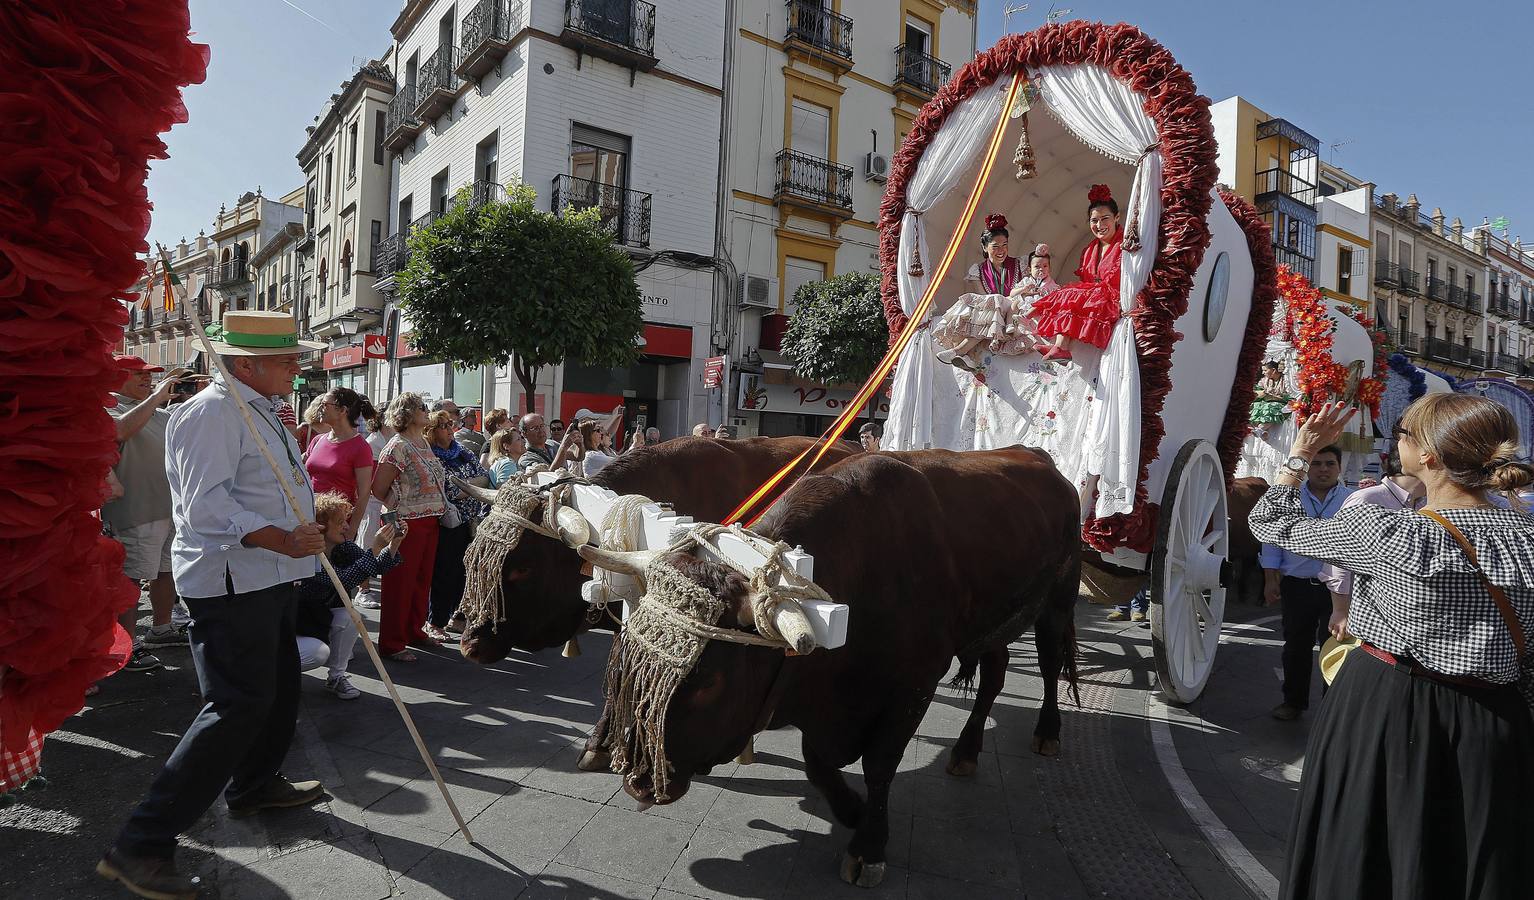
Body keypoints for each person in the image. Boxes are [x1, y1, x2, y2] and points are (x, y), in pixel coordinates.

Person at [1248, 396, 1534, 899]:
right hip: (1495, 720)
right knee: (1474, 858)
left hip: (1386, 710)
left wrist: (1298, 456)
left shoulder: (1390, 531)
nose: (1395, 438)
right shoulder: (1528, 536)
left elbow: (1271, 525)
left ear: (1429, 456)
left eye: (1403, 431)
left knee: (1366, 850)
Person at [99, 312, 328, 899]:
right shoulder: (212, 413)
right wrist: (281, 536)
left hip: (268, 577)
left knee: (276, 690)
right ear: (246, 363)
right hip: (232, 583)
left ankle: (254, 785)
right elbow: (204, 509)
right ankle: (141, 844)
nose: (298, 365)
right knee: (235, 705)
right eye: (288, 357)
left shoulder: (256, 409)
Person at [104, 356, 189, 668]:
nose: (147, 379)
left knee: (165, 571)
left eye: (149, 375)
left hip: (166, 509)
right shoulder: (109, 408)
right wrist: (156, 398)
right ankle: (126, 647)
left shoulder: (157, 413)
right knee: (130, 578)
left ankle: (161, 628)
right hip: (135, 511)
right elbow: (118, 432)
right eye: (138, 374)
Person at [1261, 444, 1352, 721]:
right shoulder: (1290, 499)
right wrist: (1270, 579)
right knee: (1295, 647)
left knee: (1335, 649)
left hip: (1338, 591)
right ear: (1307, 468)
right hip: (1297, 585)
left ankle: (1331, 710)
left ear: (1339, 468)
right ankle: (1293, 702)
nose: (1323, 469)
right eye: (1317, 464)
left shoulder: (1353, 500)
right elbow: (1272, 539)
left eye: (1330, 464)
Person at [296, 492, 405, 700]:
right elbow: (344, 580)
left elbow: (375, 566)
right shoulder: (308, 558)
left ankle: (336, 677)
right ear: (320, 526)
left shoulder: (343, 548)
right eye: (340, 522)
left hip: (318, 621)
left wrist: (393, 544)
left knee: (350, 616)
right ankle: (276, 674)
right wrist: (375, 546)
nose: (346, 526)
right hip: (296, 626)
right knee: (317, 653)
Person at [371, 393, 448, 662]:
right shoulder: (397, 446)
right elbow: (379, 488)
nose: (427, 411)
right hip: (406, 524)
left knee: (421, 581)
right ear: (407, 412)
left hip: (430, 521)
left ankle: (414, 630)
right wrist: (395, 515)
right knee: (399, 584)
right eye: (422, 408)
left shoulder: (422, 442)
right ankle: (392, 642)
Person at [1318, 448, 1426, 638]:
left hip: (1401, 615)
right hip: (1362, 613)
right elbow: (1339, 557)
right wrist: (1341, 611)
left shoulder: (1422, 502)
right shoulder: (1367, 499)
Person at [1030, 184, 1125, 362]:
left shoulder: (1125, 246)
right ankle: (1059, 346)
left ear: (1116, 217)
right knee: (1069, 294)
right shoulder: (1089, 250)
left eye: (1105, 219)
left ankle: (1059, 346)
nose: (1099, 225)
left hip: (1113, 299)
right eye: (1094, 220)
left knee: (1072, 294)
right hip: (1094, 298)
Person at [426, 409, 490, 642]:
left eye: (450, 424)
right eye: (443, 425)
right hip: (447, 522)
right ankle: (436, 622)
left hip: (470, 521)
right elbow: (448, 490)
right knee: (445, 573)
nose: (449, 429)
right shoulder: (431, 456)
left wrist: (467, 485)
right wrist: (471, 485)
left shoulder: (461, 451)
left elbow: (485, 477)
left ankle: (458, 616)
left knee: (464, 572)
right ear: (431, 432)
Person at [936, 214, 1026, 370]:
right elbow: (983, 298)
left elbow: (1024, 291)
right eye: (995, 246)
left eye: (1004, 245)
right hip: (992, 310)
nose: (1001, 250)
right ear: (985, 247)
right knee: (980, 304)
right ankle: (966, 356)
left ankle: (960, 351)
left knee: (997, 302)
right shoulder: (978, 270)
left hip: (1014, 309)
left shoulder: (1019, 264)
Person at [304, 387, 376, 539]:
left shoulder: (360, 447)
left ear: (342, 410)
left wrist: (351, 531)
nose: (319, 409)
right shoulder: (318, 440)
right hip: (309, 519)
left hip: (336, 527)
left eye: (325, 405)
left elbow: (363, 495)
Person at [354, 402, 395, 610]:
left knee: (387, 545)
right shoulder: (373, 442)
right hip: (373, 502)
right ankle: (363, 590)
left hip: (389, 502)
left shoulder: (393, 439)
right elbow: (370, 480)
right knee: (368, 543)